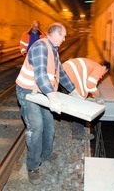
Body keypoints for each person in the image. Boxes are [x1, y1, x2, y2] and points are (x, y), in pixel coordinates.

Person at [15, 22, 81, 185]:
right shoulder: (40, 47)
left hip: (41, 92)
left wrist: (73, 90)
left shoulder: (53, 50)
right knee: (36, 127)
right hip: (28, 93)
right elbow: (41, 76)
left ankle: (46, 153)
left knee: (49, 126)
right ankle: (33, 166)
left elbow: (61, 72)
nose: (65, 39)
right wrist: (52, 97)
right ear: (54, 34)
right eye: (63, 36)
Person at [62, 58, 110, 140]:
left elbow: (86, 82)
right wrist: (98, 96)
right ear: (105, 68)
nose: (102, 76)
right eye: (104, 74)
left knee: (72, 103)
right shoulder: (100, 68)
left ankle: (72, 122)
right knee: (79, 107)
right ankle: (78, 134)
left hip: (63, 73)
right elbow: (90, 84)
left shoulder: (91, 65)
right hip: (69, 74)